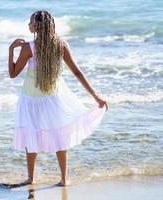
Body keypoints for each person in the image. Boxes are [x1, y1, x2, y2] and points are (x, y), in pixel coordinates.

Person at [8, 10, 108, 187]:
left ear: (37, 26)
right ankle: (64, 179)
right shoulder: (60, 44)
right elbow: (77, 72)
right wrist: (96, 96)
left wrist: (11, 50)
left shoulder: (28, 47)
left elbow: (13, 73)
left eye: (31, 22)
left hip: (31, 100)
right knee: (59, 135)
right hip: (52, 98)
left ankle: (32, 178)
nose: (29, 25)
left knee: (31, 137)